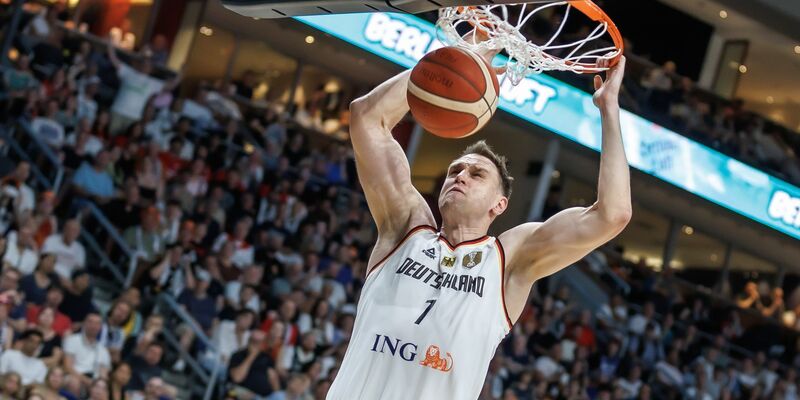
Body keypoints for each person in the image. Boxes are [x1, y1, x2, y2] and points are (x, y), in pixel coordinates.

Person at [326, 37, 631, 399]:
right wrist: (453, 61)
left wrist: (609, 110)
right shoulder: (406, 226)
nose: (460, 176)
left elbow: (612, 214)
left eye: (476, 174)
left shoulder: (508, 259)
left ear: (499, 205)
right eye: (455, 170)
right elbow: (366, 118)